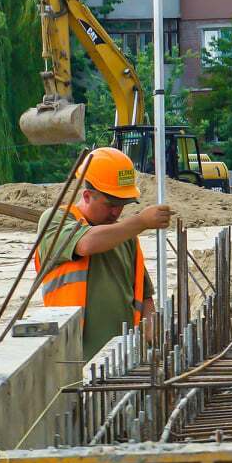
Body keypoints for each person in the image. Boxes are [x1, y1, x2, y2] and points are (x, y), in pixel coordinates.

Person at [35, 147, 173, 361]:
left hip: (125, 357)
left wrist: (153, 334)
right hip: (75, 356)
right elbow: (86, 244)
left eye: (122, 205)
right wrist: (141, 221)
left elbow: (145, 297)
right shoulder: (56, 220)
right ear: (87, 196)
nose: (116, 212)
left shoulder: (125, 236)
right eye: (110, 204)